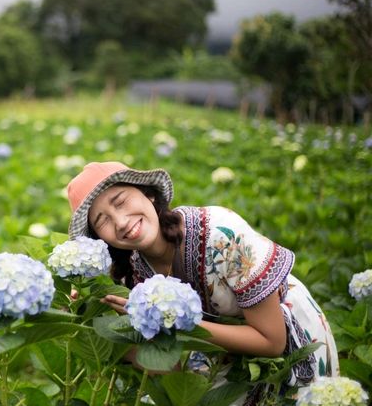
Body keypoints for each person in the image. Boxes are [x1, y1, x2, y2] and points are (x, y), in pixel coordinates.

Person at [66, 161, 338, 403]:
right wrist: (97, 322)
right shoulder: (134, 273)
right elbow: (167, 366)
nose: (121, 222)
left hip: (284, 334)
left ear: (148, 194)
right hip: (219, 349)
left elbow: (272, 342)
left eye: (121, 201)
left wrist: (179, 322)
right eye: (102, 220)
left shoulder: (221, 235)